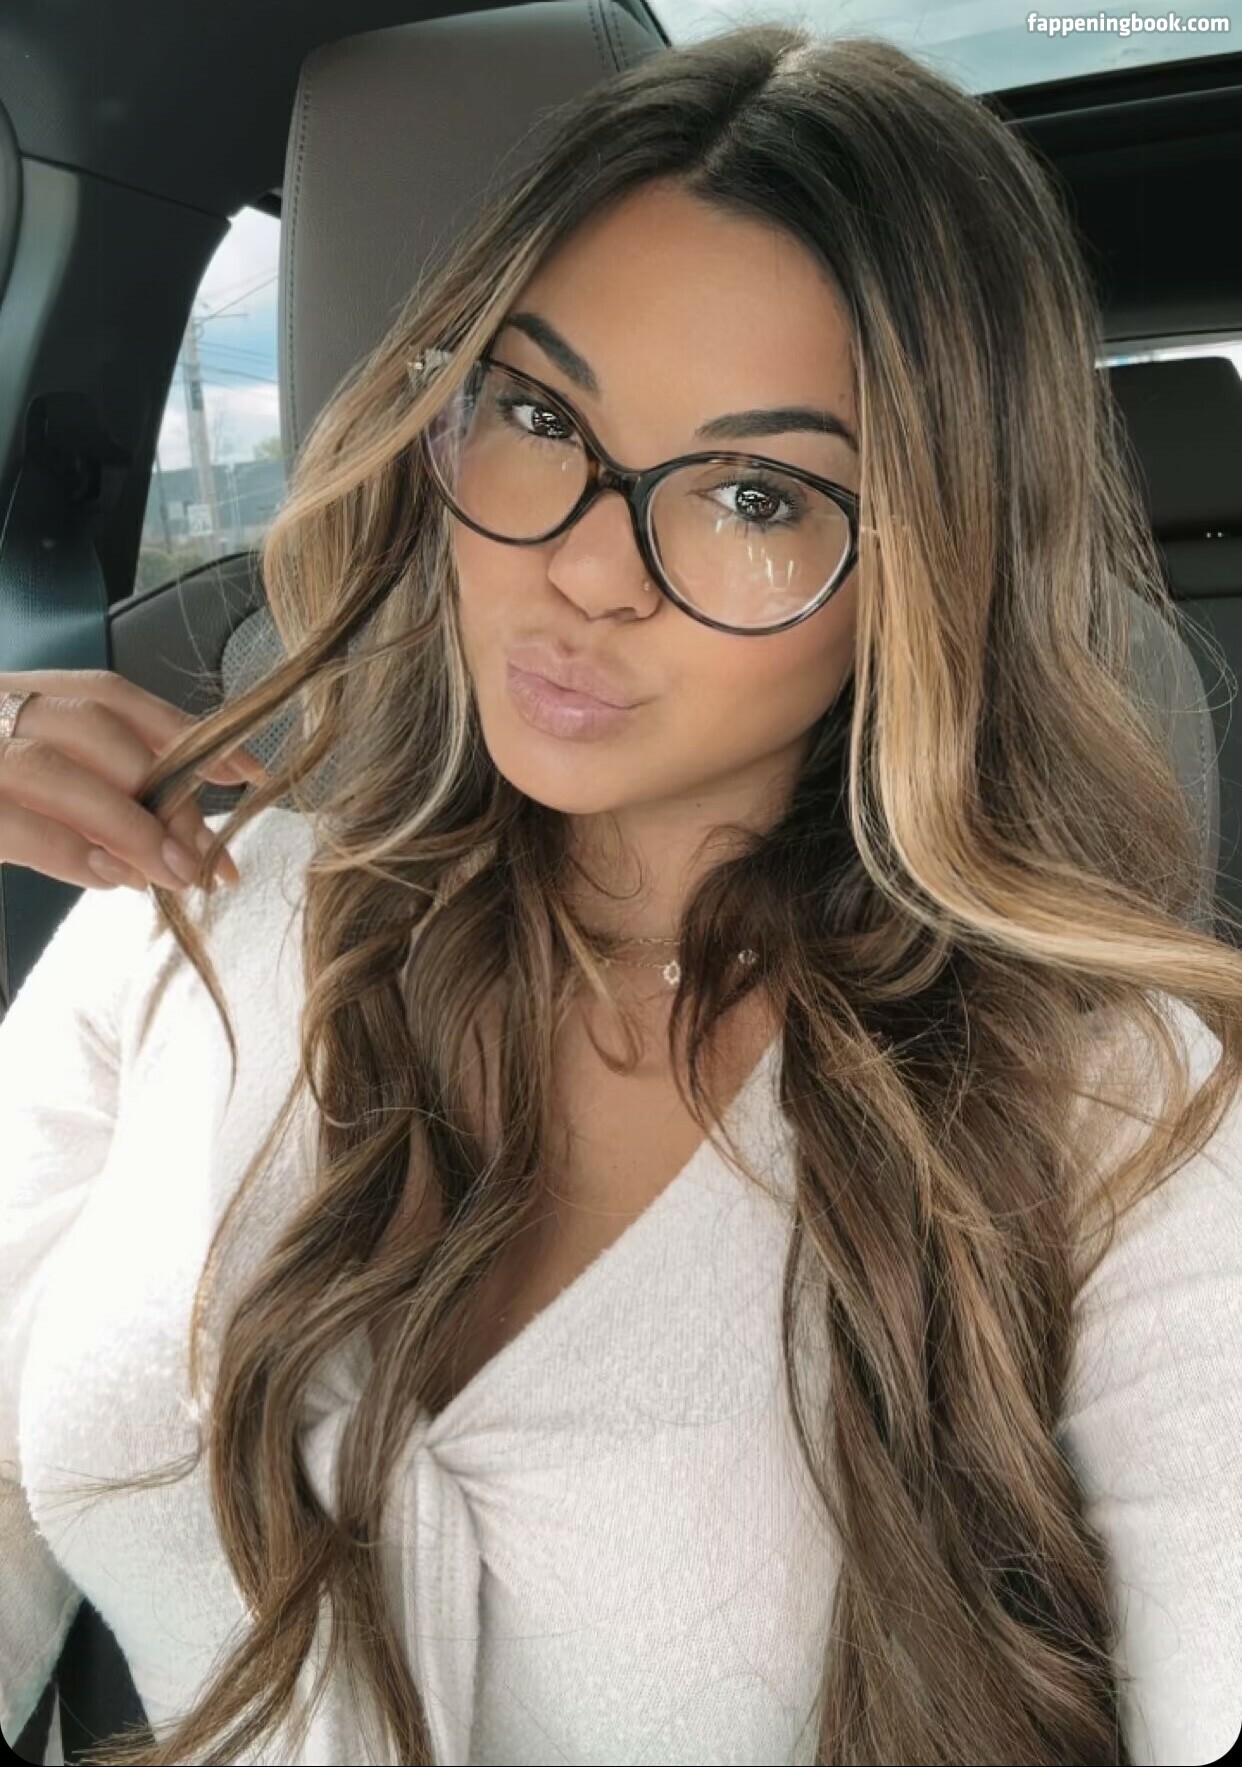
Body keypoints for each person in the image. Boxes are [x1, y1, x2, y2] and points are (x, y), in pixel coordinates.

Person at [2, 22, 1241, 1767]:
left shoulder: (1121, 1115)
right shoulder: (179, 912)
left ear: (931, 569)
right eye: (536, 415)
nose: (584, 571)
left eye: (755, 494)